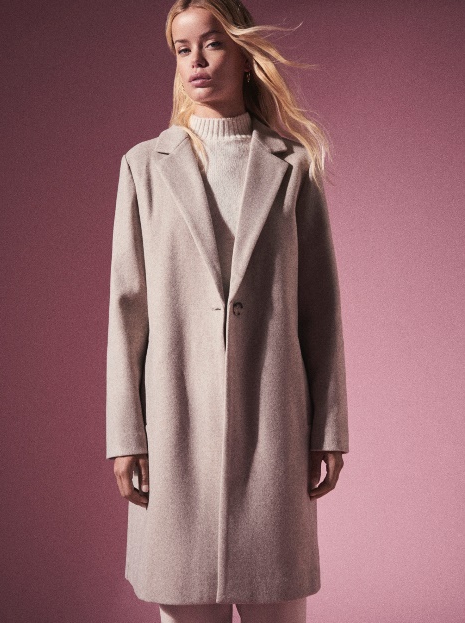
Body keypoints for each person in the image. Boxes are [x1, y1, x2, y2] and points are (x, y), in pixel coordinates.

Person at [105, 1, 349, 622]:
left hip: (274, 428)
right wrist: (125, 436)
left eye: (212, 44)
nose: (196, 61)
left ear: (242, 54)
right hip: (174, 427)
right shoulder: (144, 168)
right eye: (182, 49)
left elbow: (320, 311)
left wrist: (329, 430)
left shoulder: (293, 166)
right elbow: (127, 311)